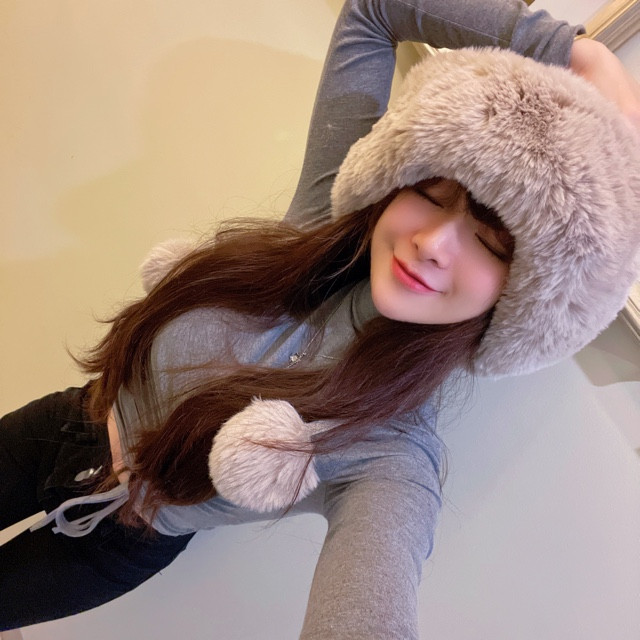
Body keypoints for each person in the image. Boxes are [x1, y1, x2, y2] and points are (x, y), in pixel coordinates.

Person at [2, 0, 639, 637]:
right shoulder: (319, 223)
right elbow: (375, 12)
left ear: (527, 293)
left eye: (491, 243)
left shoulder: (391, 456)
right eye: (428, 193)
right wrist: (576, 52)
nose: (432, 242)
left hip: (113, 548)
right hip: (65, 421)